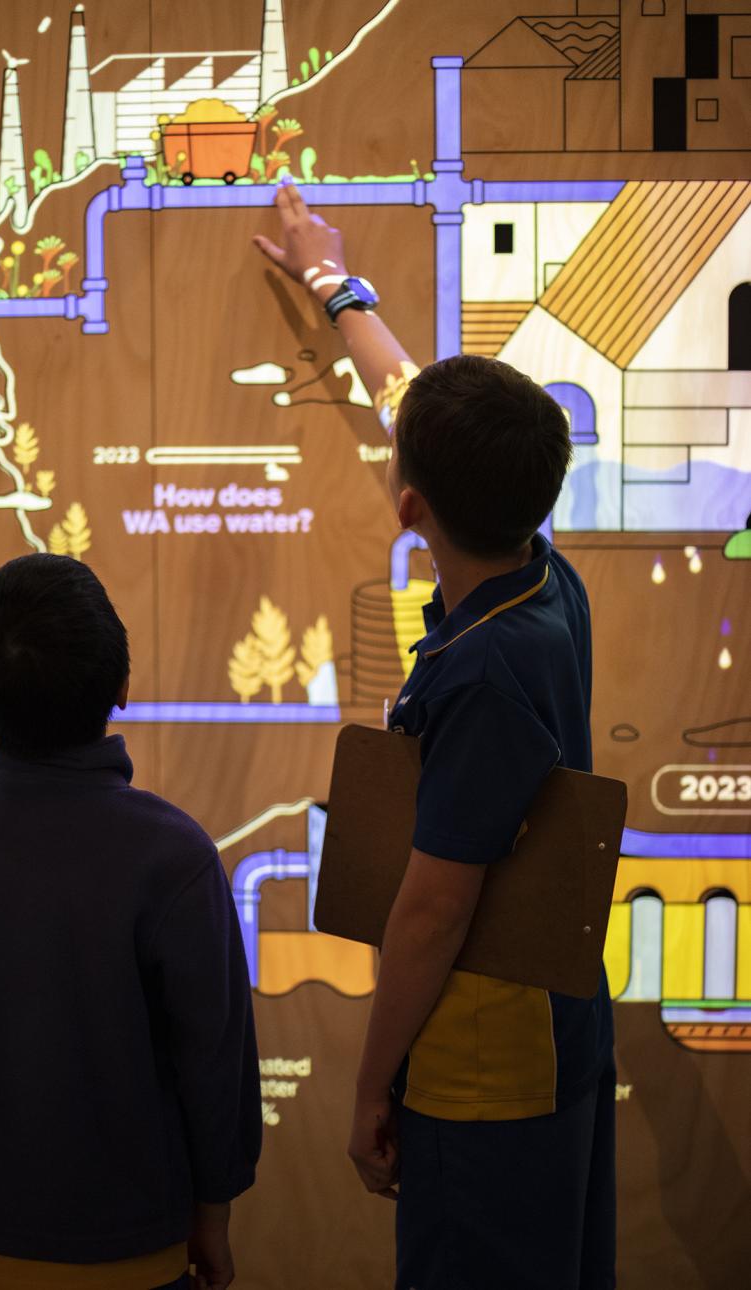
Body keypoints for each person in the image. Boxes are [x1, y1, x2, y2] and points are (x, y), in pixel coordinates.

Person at [253, 184, 615, 1290]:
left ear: (410, 509)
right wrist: (331, 282)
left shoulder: (483, 671)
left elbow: (431, 908)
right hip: (554, 1023)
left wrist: (369, 1092)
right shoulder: (535, 567)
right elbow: (402, 389)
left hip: (481, 1065)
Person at [0, 554, 261, 1290]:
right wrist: (213, 1217)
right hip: (133, 1254)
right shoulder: (174, 852)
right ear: (122, 684)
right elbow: (215, 1061)